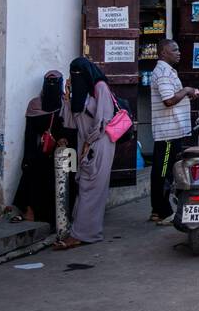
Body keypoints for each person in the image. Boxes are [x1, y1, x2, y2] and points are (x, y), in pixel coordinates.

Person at [54, 57, 118, 249]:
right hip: (86, 144)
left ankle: (83, 234)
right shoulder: (81, 93)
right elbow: (70, 123)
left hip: (99, 144)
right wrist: (67, 98)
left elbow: (102, 121)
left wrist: (87, 145)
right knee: (85, 186)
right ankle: (82, 231)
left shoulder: (100, 88)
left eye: (78, 73)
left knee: (91, 188)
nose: (75, 77)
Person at [149, 40, 199, 225]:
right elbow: (169, 100)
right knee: (163, 172)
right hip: (167, 133)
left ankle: (158, 209)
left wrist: (187, 92)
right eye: (175, 50)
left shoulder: (168, 72)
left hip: (173, 130)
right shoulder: (163, 73)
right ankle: (162, 211)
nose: (179, 52)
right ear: (163, 52)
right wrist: (187, 90)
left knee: (167, 171)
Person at [11, 70, 67, 228]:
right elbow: (29, 135)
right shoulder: (35, 104)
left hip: (59, 153)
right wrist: (27, 158)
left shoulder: (65, 103)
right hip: (41, 151)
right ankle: (30, 212)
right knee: (31, 174)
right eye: (48, 83)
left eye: (54, 83)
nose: (51, 86)